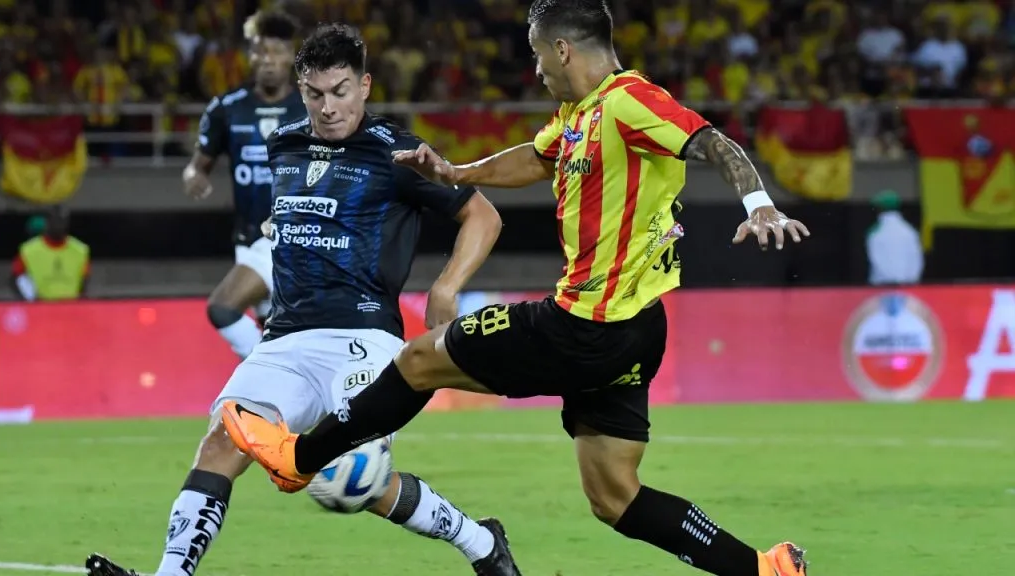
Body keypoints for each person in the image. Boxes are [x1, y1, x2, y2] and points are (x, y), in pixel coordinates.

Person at [222, 1, 815, 575]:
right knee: (615, 497)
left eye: (537, 55)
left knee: (419, 360)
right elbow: (535, 158)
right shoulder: (579, 114)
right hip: (635, 331)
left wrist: (759, 204)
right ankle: (763, 570)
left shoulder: (630, 101)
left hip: (583, 325)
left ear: (562, 49)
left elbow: (712, 141)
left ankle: (299, 458)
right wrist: (457, 173)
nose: (535, 69)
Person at [86, 23, 520, 576]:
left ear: (365, 85)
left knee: (353, 477)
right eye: (315, 94)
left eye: (341, 91)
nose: (329, 107)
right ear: (301, 89)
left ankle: (479, 543)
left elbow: (483, 215)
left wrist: (447, 286)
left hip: (364, 338)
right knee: (221, 442)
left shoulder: (399, 152)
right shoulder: (284, 144)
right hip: (286, 336)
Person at [183, 10, 307, 360]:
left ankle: (265, 370)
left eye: (276, 51)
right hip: (248, 238)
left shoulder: (311, 107)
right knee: (273, 330)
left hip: (293, 236)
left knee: (226, 309)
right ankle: (278, 377)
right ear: (249, 56)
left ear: (291, 56)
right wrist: (194, 177)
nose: (267, 59)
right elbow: (198, 165)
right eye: (259, 51)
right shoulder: (226, 108)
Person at [12, 205, 89, 301]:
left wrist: (81, 302)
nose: (58, 225)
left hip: (72, 306)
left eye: (62, 221)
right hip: (40, 306)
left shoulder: (80, 250)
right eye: (55, 220)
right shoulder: (28, 250)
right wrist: (31, 299)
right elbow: (17, 277)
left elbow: (85, 280)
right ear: (47, 222)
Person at [866, 189, 922, 286]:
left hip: (882, 285)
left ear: (880, 209)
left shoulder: (875, 232)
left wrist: (892, 280)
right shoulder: (910, 231)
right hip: (908, 284)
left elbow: (875, 259)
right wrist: (911, 280)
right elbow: (916, 259)